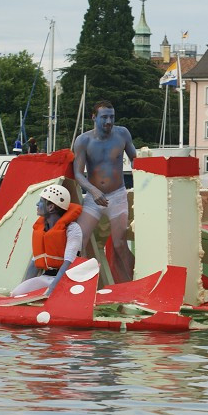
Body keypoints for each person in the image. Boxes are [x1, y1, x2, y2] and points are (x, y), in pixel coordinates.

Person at [73, 101, 136, 283]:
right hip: (94, 197)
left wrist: (143, 178)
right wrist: (93, 191)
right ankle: (83, 285)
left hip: (117, 195)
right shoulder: (83, 140)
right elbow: (78, 173)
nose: (109, 121)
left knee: (119, 244)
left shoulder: (122, 134)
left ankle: (132, 282)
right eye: (104, 117)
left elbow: (135, 159)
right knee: (79, 240)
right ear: (94, 117)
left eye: (112, 117)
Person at [11, 184, 82, 296]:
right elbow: (34, 263)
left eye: (41, 201)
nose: (37, 204)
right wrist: (22, 291)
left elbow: (69, 262)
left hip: (68, 279)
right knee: (16, 293)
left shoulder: (73, 229)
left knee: (52, 297)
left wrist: (51, 290)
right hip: (47, 277)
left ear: (51, 207)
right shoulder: (43, 230)